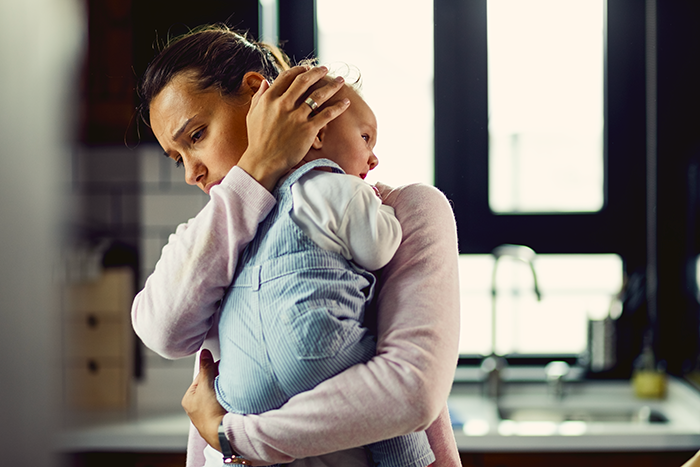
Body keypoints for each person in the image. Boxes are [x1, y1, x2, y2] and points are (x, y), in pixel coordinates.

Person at [131, 25, 461, 466]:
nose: (191, 172)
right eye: (177, 158)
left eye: (196, 136)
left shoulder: (400, 211)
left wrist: (232, 436)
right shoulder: (209, 233)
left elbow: (410, 394)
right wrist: (255, 174)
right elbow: (165, 332)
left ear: (254, 93)